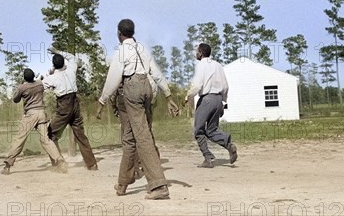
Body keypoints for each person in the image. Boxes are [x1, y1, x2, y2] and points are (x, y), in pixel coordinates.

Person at [97, 19, 179, 200]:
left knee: (142, 136)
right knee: (129, 138)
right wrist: (168, 96)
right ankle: (123, 183)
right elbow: (155, 72)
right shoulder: (142, 48)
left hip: (131, 89)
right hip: (146, 87)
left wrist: (102, 101)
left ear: (119, 33)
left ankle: (159, 185)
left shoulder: (121, 51)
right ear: (132, 32)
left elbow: (113, 78)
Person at [2, 68, 67, 175]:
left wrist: (19, 87)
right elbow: (45, 83)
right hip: (41, 113)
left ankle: (8, 165)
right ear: (33, 76)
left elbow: (15, 99)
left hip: (30, 115)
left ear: (24, 78)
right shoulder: (40, 84)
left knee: (20, 139)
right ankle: (59, 160)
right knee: (46, 140)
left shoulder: (22, 87)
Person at [42, 47, 98, 170]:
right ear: (63, 63)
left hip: (63, 105)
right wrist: (57, 51)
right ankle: (92, 164)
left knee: (50, 134)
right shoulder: (71, 69)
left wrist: (49, 75)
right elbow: (72, 57)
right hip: (75, 103)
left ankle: (58, 163)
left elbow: (41, 86)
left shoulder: (51, 78)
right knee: (80, 134)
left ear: (53, 65)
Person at [184, 43, 237, 168]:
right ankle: (229, 145)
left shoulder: (201, 65)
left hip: (206, 99)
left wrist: (188, 96)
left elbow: (197, 85)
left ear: (201, 53)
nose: (195, 54)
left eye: (196, 51)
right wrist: (222, 102)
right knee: (212, 130)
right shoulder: (218, 65)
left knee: (198, 130)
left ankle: (208, 158)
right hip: (218, 98)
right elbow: (225, 86)